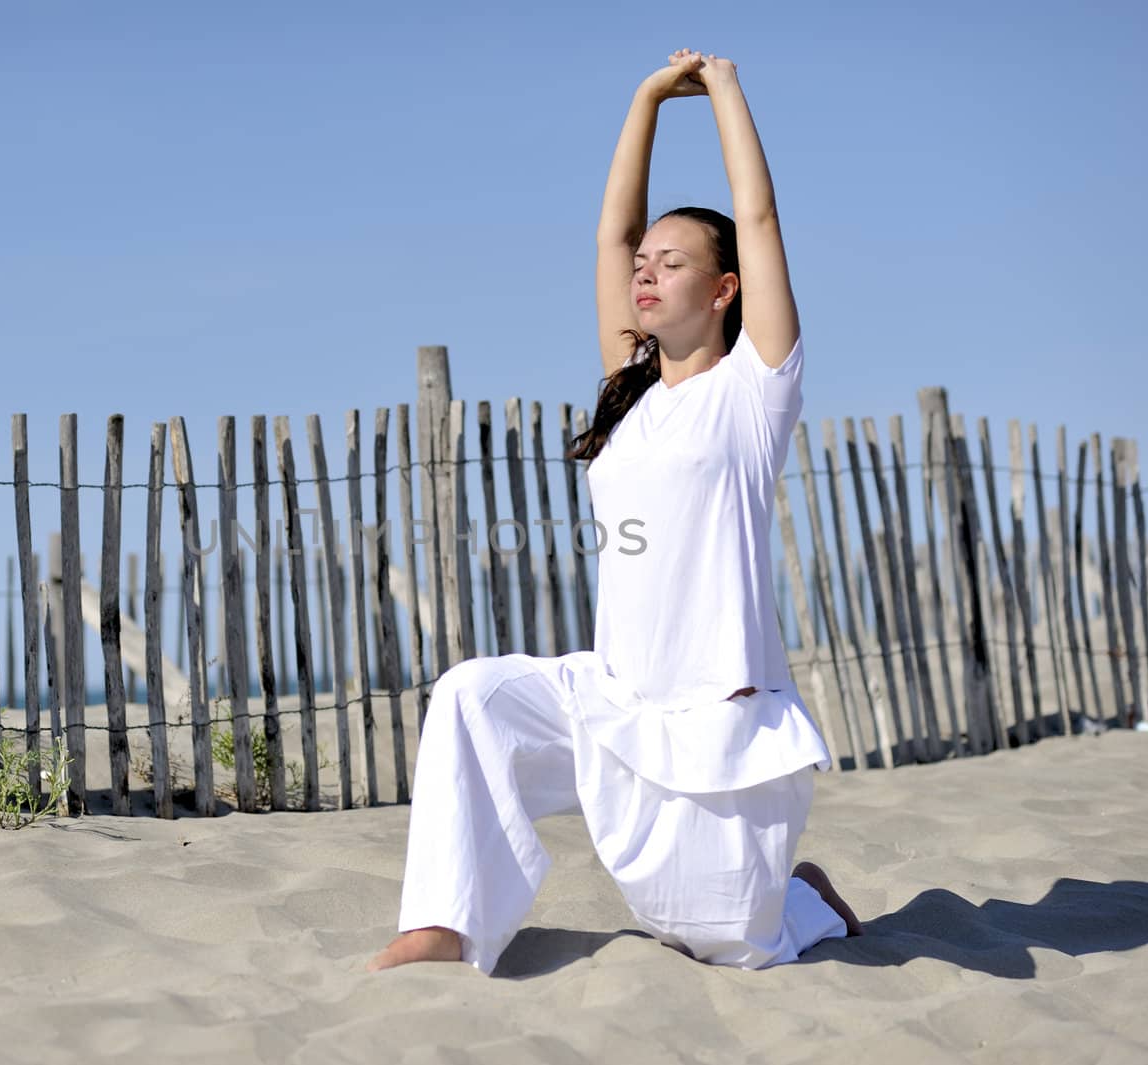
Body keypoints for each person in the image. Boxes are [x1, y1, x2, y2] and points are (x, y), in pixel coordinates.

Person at [367, 49, 862, 975]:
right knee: (472, 697)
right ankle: (444, 922)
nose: (645, 272)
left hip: (717, 721)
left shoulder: (755, 395)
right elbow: (610, 236)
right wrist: (643, 101)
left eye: (672, 264)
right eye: (645, 264)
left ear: (723, 291)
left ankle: (805, 893)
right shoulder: (627, 395)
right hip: (612, 697)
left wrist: (720, 90)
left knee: (730, 944)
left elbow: (758, 215)